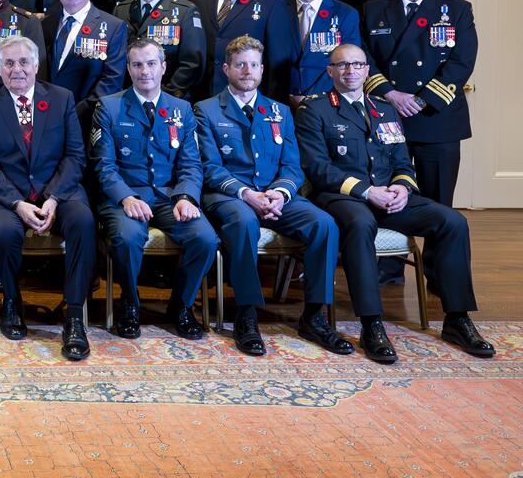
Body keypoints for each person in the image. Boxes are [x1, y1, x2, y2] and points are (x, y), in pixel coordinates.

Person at [296, 44, 493, 362]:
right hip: (342, 197)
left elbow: (402, 162)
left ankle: (457, 319)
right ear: (330, 71)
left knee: (452, 221)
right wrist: (367, 192)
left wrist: (402, 187)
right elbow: (317, 168)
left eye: (357, 64)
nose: (350, 71)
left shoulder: (384, 109)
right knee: (361, 223)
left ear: (366, 70)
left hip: (389, 197)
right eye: (342, 65)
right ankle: (371, 324)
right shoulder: (314, 109)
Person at [194, 36, 349, 356]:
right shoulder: (206, 110)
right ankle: (246, 315)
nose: (247, 71)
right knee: (243, 222)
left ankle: (314, 315)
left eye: (253, 65)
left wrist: (279, 193)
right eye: (240, 64)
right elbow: (209, 167)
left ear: (262, 70)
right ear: (227, 69)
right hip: (229, 196)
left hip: (276, 195)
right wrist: (247, 194)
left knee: (324, 224)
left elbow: (292, 166)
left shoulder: (280, 111)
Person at [0, 36, 94, 361]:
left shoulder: (61, 98)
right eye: (9, 63)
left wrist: (52, 199)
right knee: (4, 231)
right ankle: (12, 303)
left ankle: (74, 315)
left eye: (24, 62)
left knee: (83, 221)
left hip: (58, 191)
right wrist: (17, 203)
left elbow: (75, 156)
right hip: (5, 195)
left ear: (37, 65)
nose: (17, 69)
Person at [90, 39, 218, 340]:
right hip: (125, 196)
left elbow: (191, 163)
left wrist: (186, 197)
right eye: (137, 65)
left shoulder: (182, 109)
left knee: (205, 238)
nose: (144, 71)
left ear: (163, 67)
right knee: (126, 238)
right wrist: (126, 196)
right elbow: (103, 165)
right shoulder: (109, 107)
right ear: (128, 69)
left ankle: (181, 306)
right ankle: (129, 304)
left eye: (150, 64)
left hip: (169, 197)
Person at [362, 0, 476, 284]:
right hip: (388, 116)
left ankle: (439, 276)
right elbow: (365, 58)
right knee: (390, 196)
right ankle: (389, 266)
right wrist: (390, 94)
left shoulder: (456, 10)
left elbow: (461, 62)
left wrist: (422, 100)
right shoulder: (374, 10)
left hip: (436, 119)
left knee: (438, 202)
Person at [40, 0, 127, 123]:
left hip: (87, 118)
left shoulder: (113, 26)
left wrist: (77, 112)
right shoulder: (46, 24)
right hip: (46, 114)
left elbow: (112, 80)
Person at [113, 0, 206, 100]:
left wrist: (163, 96)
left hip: (168, 99)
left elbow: (192, 64)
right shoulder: (121, 10)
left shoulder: (185, 12)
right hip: (126, 97)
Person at [289, 0, 360, 105]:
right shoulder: (278, 10)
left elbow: (349, 62)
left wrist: (313, 99)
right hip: (283, 100)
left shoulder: (346, 14)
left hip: (327, 101)